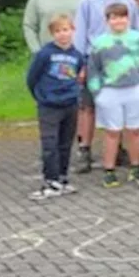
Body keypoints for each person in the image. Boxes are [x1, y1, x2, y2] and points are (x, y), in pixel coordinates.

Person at [74, 0, 139, 172]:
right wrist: (81, 64)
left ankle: (118, 149)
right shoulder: (87, 1)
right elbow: (80, 33)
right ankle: (85, 150)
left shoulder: (128, 1)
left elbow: (137, 30)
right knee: (88, 107)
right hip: (95, 59)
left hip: (122, 62)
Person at [87, 3, 139, 188]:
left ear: (128, 19)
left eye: (122, 17)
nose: (119, 21)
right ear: (108, 20)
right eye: (114, 18)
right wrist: (97, 93)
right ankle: (109, 170)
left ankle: (136, 166)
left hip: (136, 88)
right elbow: (93, 70)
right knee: (112, 132)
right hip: (110, 91)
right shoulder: (99, 42)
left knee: (135, 131)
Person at [25, 15, 85, 199]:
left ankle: (62, 177)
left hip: (70, 103)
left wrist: (75, 94)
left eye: (66, 30)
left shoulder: (77, 55)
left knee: (65, 142)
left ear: (73, 31)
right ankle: (50, 180)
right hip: (49, 105)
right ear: (52, 34)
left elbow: (77, 76)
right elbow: (31, 77)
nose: (63, 34)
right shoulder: (45, 53)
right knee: (50, 143)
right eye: (58, 31)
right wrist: (41, 96)